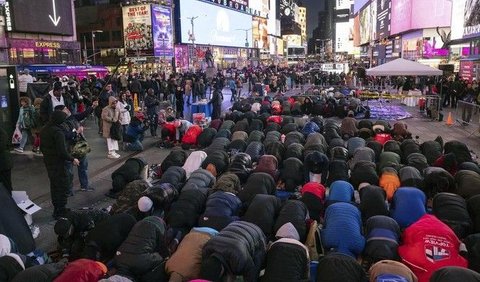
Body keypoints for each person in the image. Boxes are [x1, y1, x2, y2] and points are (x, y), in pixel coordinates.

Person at [40, 110, 79, 219]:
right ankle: (61, 210)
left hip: (49, 161)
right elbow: (62, 151)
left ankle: (57, 209)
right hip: (58, 163)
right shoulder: (58, 132)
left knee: (54, 185)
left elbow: (42, 147)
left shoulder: (44, 129)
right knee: (63, 186)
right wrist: (72, 159)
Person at [55, 101, 98, 194]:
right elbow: (65, 136)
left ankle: (85, 186)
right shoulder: (59, 124)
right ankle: (69, 190)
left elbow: (83, 114)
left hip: (79, 147)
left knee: (83, 166)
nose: (68, 110)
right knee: (69, 172)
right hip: (68, 149)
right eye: (65, 109)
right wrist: (77, 132)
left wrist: (92, 107)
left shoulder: (72, 117)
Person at [0, 127, 12, 194]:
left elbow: (3, 141)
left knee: (6, 186)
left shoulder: (2, 132)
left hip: (3, 164)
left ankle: (10, 202)